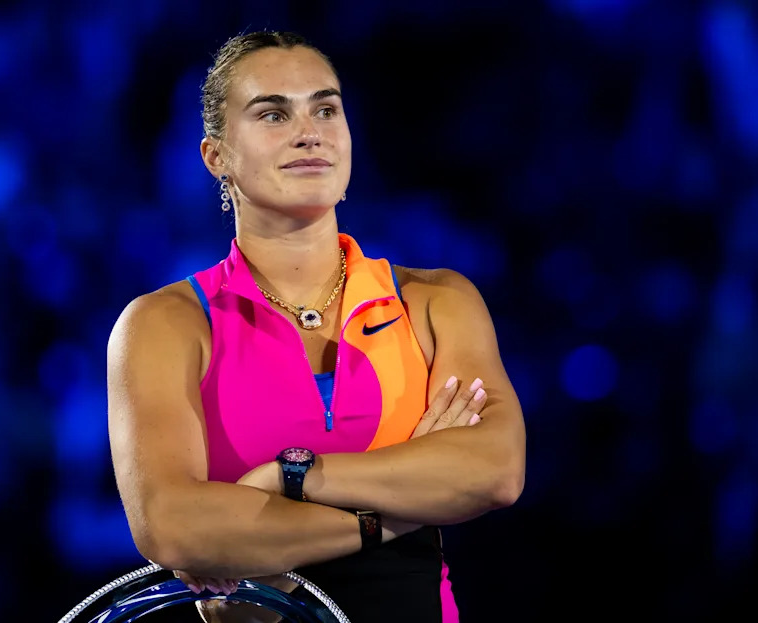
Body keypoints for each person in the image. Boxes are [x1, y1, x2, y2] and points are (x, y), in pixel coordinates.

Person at [106, 30, 526, 623]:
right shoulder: (164, 326)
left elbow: (497, 471)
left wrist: (289, 477)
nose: (311, 132)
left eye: (326, 108)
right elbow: (174, 527)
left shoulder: (436, 302)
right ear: (216, 156)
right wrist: (396, 511)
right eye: (273, 114)